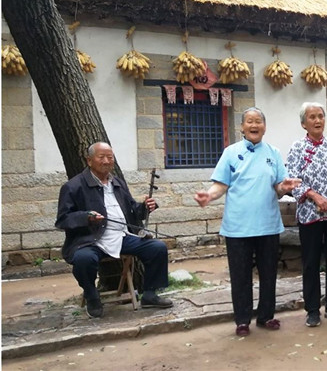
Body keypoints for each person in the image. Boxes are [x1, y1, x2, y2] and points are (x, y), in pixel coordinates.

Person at [193, 107, 301, 337]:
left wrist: (285, 187)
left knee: (268, 274)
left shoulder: (273, 153)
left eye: (258, 121)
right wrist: (208, 196)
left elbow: (279, 187)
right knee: (240, 276)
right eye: (249, 121)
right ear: (242, 127)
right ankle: (242, 319)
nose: (254, 125)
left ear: (264, 127)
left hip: (268, 225)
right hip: (237, 227)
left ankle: (266, 316)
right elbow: (220, 185)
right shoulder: (231, 153)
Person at [56, 142, 173, 319]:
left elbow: (133, 211)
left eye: (110, 157)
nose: (106, 161)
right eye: (101, 157)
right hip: (90, 240)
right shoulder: (73, 186)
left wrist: (145, 207)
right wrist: (86, 217)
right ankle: (92, 296)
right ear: (89, 161)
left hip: (121, 236)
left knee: (157, 247)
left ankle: (149, 294)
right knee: (83, 259)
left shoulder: (117, 183)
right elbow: (63, 219)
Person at [286, 102, 327, 327]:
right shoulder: (297, 148)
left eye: (320, 116)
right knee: (311, 262)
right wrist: (314, 195)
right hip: (310, 214)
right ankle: (312, 309)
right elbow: (292, 181)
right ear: (304, 123)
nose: (317, 120)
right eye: (312, 117)